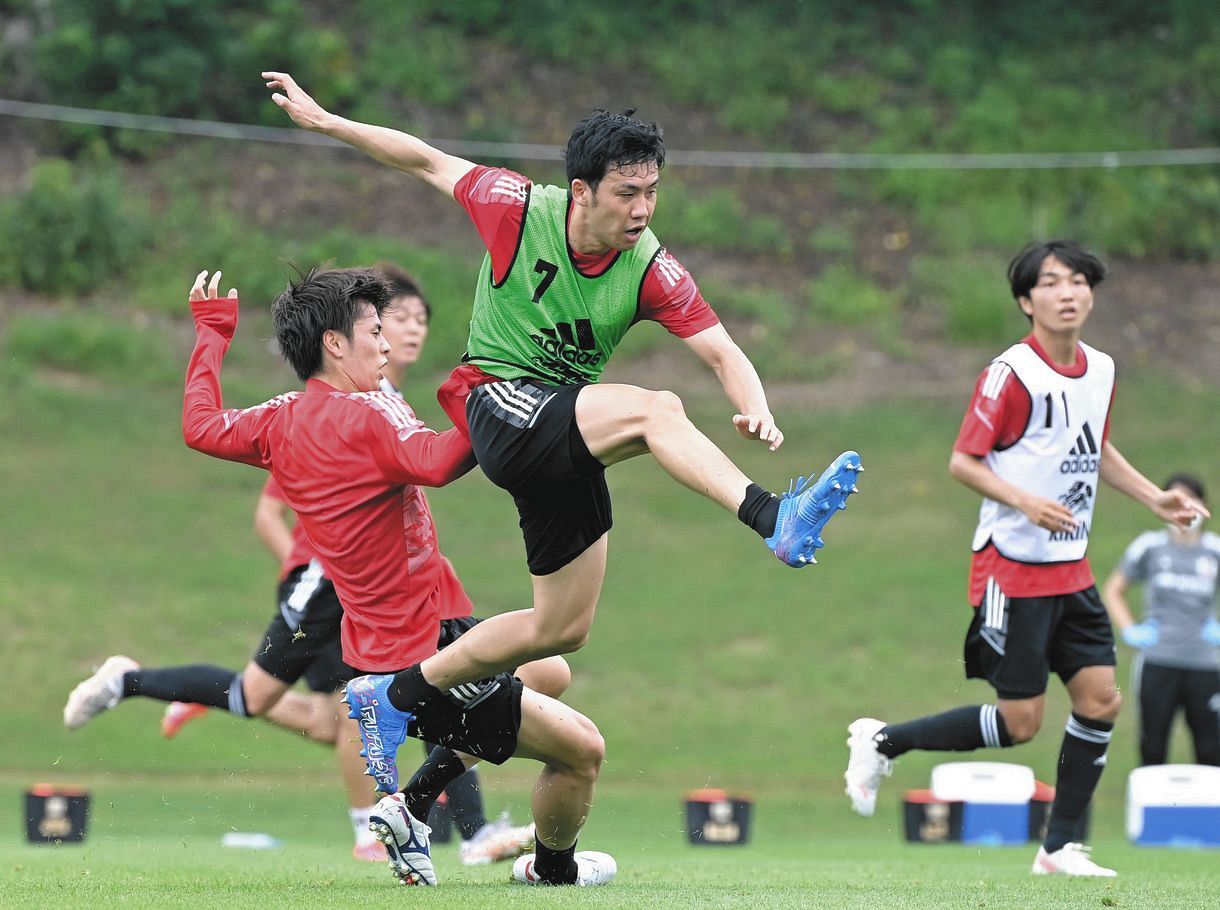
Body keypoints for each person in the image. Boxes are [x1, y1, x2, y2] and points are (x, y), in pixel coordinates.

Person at [262, 73, 861, 806]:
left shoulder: (650, 267)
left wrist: (755, 405)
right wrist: (327, 121)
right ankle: (774, 517)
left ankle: (393, 703)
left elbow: (722, 350)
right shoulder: (516, 208)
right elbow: (423, 158)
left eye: (651, 193)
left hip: (560, 431)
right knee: (654, 409)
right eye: (625, 194)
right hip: (498, 405)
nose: (642, 210)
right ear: (581, 191)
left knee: (560, 630)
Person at [69, 267, 613, 887]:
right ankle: (550, 873)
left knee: (550, 667)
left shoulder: (280, 419)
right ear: (335, 343)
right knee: (581, 753)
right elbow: (436, 464)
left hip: (389, 641)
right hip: (425, 647)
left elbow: (200, 425)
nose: (386, 344)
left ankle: (409, 804)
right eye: (376, 331)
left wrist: (213, 334)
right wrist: (480, 395)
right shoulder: (365, 417)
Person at [841, 240, 1208, 877]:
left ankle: (1058, 849)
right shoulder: (1011, 374)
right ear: (1025, 300)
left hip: (1073, 568)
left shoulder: (1101, 369)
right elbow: (962, 460)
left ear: (1091, 293)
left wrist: (1156, 498)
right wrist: (1025, 502)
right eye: (1051, 283)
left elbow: (1093, 447)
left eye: (1077, 281)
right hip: (1012, 567)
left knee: (1100, 701)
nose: (1067, 293)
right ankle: (882, 740)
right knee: (1020, 724)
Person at [1102, 472, 1220, 766]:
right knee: (1153, 746)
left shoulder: (1214, 550)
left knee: (1211, 749)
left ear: (1203, 505)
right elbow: (1114, 590)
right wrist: (1131, 630)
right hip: (1158, 660)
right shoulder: (1150, 546)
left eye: (1190, 499)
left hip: (1205, 662)